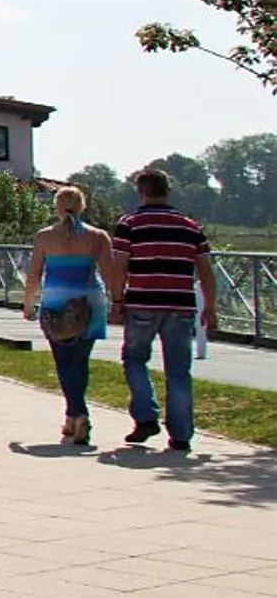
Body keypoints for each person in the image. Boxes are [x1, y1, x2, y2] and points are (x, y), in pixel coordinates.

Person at [110, 165, 220, 452]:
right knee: (179, 371)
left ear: (141, 192)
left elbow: (119, 266)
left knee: (134, 360)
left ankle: (146, 416)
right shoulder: (190, 226)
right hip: (181, 306)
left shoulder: (129, 224)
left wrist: (117, 300)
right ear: (168, 191)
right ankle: (181, 433)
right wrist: (210, 307)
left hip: (142, 303)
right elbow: (206, 272)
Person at [24, 186, 114, 447]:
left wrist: (29, 305)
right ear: (83, 206)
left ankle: (79, 413)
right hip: (90, 302)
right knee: (80, 361)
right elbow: (109, 274)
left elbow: (34, 276)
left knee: (64, 362)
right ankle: (73, 415)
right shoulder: (98, 237)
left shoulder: (44, 237)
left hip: (56, 302)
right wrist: (118, 302)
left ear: (56, 207)